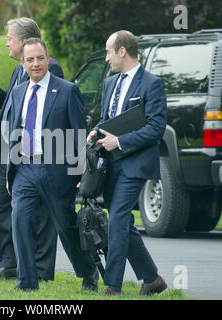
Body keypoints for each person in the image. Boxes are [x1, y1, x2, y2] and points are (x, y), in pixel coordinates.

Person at [6, 38, 98, 291]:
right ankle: (27, 282)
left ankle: (88, 271)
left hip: (57, 171)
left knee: (65, 226)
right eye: (29, 59)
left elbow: (80, 133)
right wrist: (9, 172)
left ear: (47, 59)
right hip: (24, 168)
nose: (35, 64)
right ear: (22, 63)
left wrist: (80, 172)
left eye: (39, 58)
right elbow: (15, 131)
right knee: (20, 220)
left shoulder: (67, 90)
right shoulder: (18, 92)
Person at [0, 18, 63, 281]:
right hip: (8, 150)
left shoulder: (51, 69)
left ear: (24, 41)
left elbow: (52, 111)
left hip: (34, 153)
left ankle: (40, 270)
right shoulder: (19, 69)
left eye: (9, 38)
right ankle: (10, 263)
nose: (6, 42)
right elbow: (15, 105)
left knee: (41, 212)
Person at [87, 30, 168, 296]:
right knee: (122, 222)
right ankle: (152, 278)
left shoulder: (152, 84)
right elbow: (108, 118)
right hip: (111, 164)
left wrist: (119, 142)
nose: (106, 58)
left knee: (118, 218)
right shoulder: (111, 82)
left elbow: (156, 127)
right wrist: (96, 131)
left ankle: (113, 286)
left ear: (122, 51)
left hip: (135, 164)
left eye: (109, 51)